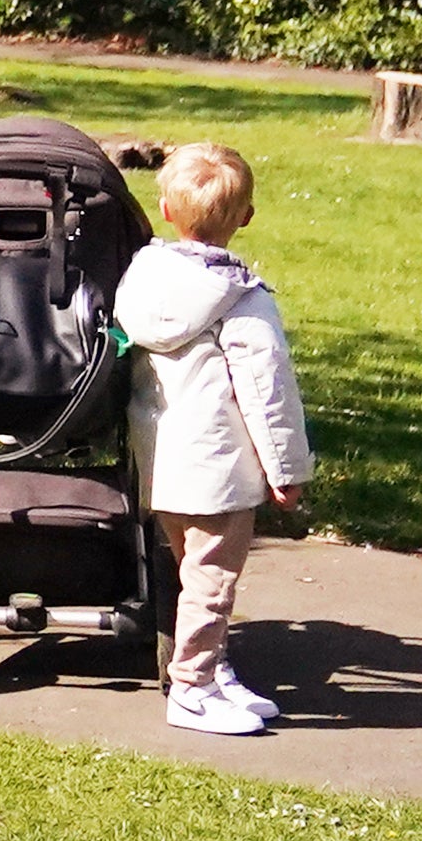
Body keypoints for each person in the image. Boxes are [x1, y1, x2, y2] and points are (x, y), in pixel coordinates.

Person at [117, 139, 315, 735]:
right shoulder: (243, 301)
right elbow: (266, 389)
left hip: (160, 466)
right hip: (218, 470)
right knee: (212, 582)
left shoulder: (142, 279)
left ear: (167, 211)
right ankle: (192, 687)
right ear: (246, 217)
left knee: (189, 571)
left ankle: (216, 671)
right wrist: (287, 470)